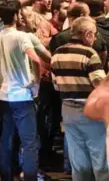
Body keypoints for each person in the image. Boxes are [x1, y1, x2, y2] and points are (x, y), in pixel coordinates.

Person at [0, 0, 43, 181]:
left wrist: (3, 78)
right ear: (14, 16)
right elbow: (36, 59)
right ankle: (30, 177)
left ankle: (7, 176)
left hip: (4, 95)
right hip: (22, 95)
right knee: (29, 142)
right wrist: (36, 79)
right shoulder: (21, 37)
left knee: (6, 139)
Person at [51, 17, 108, 181]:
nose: (95, 38)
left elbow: (56, 84)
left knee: (78, 160)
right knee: (100, 158)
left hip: (68, 110)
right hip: (90, 111)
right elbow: (100, 87)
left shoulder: (57, 53)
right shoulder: (89, 54)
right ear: (88, 34)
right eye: (94, 35)